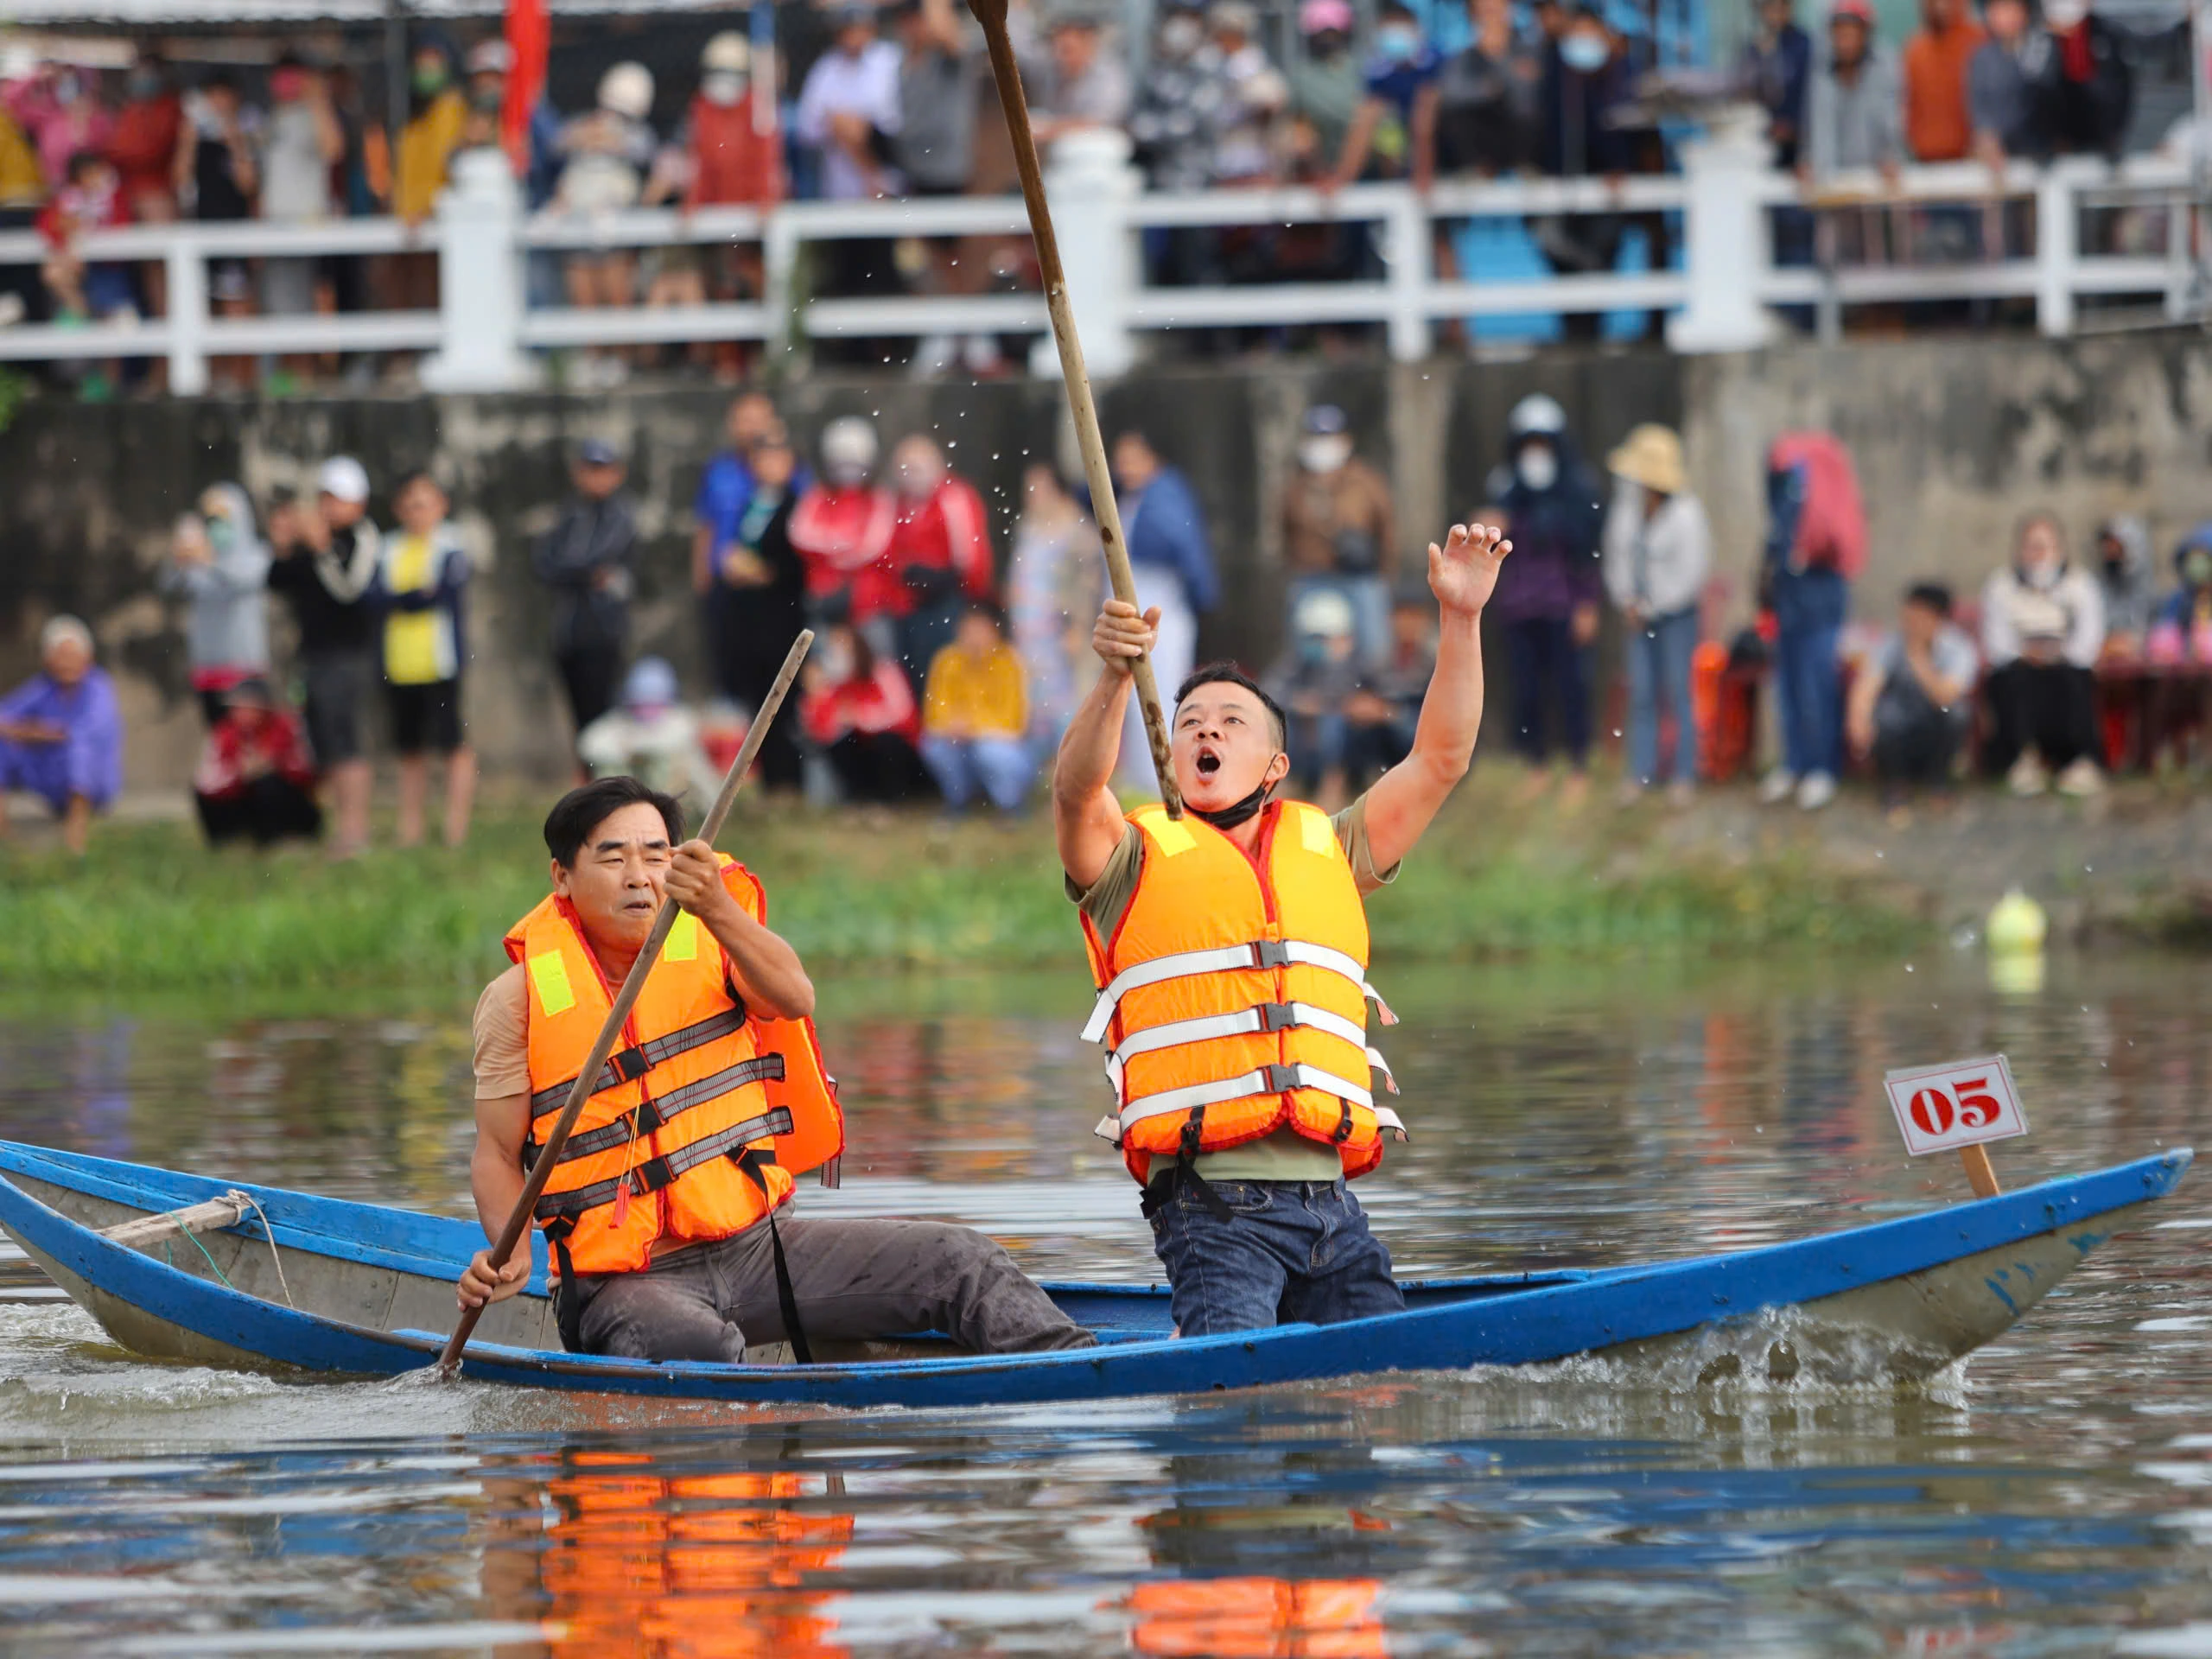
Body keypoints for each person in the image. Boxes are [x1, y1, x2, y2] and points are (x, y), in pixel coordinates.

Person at [1052, 518, 1511, 1337]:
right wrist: (1118, 679)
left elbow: (1440, 757)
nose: (1207, 730)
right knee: (1230, 1401)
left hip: (1331, 1204)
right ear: (1168, 744)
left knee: (1378, 1396)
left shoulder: (1329, 846)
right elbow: (1076, 791)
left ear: (1275, 767)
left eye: (1232, 722)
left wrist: (1463, 620)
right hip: (1211, 1204)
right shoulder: (1129, 856)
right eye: (1191, 719)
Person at [455, 776, 1095, 1361]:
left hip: (760, 1249)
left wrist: (719, 909)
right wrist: (509, 1252)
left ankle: (1084, 1371)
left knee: (958, 1260)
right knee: (690, 1347)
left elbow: (795, 997)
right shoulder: (517, 1001)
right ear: (562, 876)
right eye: (613, 856)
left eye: (656, 855)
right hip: (621, 1282)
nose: (638, 876)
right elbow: (496, 1153)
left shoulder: (716, 940)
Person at [266, 455, 381, 857]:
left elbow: (350, 589)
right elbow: (277, 580)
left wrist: (322, 549)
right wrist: (284, 544)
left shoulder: (362, 539)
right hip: (313, 658)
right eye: (326, 498)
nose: (331, 507)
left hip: (347, 658)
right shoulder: (315, 541)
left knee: (346, 743)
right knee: (322, 746)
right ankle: (338, 829)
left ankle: (356, 831)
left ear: (359, 503)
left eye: (339, 499)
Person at [1489, 393, 1602, 802]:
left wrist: (1588, 604)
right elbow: (1490, 538)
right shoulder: (1505, 487)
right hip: (1520, 607)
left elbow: (1587, 553)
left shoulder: (1577, 488)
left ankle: (1578, 766)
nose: (1535, 453)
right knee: (1526, 689)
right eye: (1528, 444)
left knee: (1572, 686)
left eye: (1543, 443)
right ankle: (1534, 764)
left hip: (1562, 605)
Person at [1601, 424, 1710, 804]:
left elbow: (1691, 573)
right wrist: (1627, 600)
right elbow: (1615, 559)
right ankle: (1640, 774)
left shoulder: (1686, 515)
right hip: (1637, 617)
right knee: (1643, 692)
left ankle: (1684, 774)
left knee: (1679, 691)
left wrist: (1653, 605)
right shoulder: (1626, 512)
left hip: (1676, 616)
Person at [698, 419, 809, 792]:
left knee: (784, 702)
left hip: (780, 618)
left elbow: (790, 563)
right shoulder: (752, 502)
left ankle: (788, 781)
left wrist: (755, 569)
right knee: (755, 699)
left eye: (776, 455)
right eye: (762, 456)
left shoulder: (797, 505)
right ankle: (768, 780)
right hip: (749, 619)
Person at [1758, 430, 1865, 811]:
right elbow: (1777, 541)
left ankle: (1823, 768)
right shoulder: (1786, 483)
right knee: (1787, 685)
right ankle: (1794, 764)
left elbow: (1834, 541)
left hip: (1819, 602)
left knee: (1815, 686)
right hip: (1788, 603)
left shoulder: (1820, 482)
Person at [1108, 429, 1218, 790]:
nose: (1124, 468)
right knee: (1128, 695)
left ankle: (1167, 779)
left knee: (1162, 693)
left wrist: (1203, 596)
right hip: (1132, 609)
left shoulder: (1166, 495)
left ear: (1152, 458)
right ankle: (1142, 778)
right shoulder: (1130, 496)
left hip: (1162, 610)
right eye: (1119, 460)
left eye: (1132, 459)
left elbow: (1184, 548)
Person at [378, 470, 477, 847]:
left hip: (440, 663)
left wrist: (405, 597)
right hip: (400, 665)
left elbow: (440, 594)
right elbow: (377, 598)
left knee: (452, 745)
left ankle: (456, 827)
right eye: (410, 504)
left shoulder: (451, 547)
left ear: (440, 507)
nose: (416, 512)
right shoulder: (389, 548)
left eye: (424, 503)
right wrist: (415, 595)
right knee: (410, 749)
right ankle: (412, 828)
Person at [1980, 511, 2104, 797]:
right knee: (2011, 680)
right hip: (2020, 662)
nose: (2037, 555)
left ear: (2058, 549)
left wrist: (2056, 653)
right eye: (2030, 546)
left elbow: (2088, 638)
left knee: (2074, 679)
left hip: (2065, 661)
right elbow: (1996, 640)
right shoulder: (2000, 586)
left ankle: (2078, 761)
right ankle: (2022, 760)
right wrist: (2028, 653)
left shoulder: (2080, 585)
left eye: (2044, 546)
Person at [534, 439, 639, 753]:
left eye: (602, 469)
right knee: (579, 719)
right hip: (568, 632)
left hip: (604, 630)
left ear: (616, 473)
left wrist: (571, 569)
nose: (596, 477)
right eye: (590, 469)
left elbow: (599, 557)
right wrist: (582, 573)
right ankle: (587, 790)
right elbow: (543, 564)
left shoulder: (621, 515)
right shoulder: (569, 514)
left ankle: (606, 790)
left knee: (603, 718)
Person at [1845, 582, 1977, 814]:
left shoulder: (1959, 648)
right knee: (1884, 714)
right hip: (1902, 719)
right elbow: (1868, 684)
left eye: (1918, 617)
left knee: (1956, 713)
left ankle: (1938, 781)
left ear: (1938, 619)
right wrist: (1858, 718)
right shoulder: (1891, 643)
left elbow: (1945, 696)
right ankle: (1896, 783)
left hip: (1936, 721)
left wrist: (1918, 658)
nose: (1910, 623)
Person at [1281, 404, 1395, 673]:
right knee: (1308, 656)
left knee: (1372, 651)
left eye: (1330, 439)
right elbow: (1285, 532)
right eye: (1316, 439)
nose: (1323, 447)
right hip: (1312, 577)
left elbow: (1387, 530)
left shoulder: (1366, 482)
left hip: (1358, 577)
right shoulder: (1295, 487)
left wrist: (1383, 574)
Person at [1004, 462, 1102, 764]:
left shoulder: (1079, 531)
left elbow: (1088, 586)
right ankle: (1040, 775)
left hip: (1061, 632)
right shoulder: (1027, 527)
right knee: (1033, 703)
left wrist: (1077, 625)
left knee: (1067, 704)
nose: (1032, 496)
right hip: (1028, 632)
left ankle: (1071, 768)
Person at [0, 615, 122, 855]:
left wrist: (34, 732)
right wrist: (31, 732)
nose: (67, 663)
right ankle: (5, 841)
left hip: (93, 784)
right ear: (47, 661)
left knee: (78, 750)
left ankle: (76, 845)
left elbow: (82, 732)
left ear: (88, 658)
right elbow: (5, 715)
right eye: (60, 656)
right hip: (51, 778)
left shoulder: (99, 688)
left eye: (72, 656)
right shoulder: (44, 688)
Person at [885, 434, 995, 686]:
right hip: (910, 604)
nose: (911, 476)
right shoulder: (899, 503)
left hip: (948, 600)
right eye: (906, 470)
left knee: (945, 670)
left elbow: (970, 557)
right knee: (912, 673)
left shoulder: (953, 497)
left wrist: (967, 593)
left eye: (917, 468)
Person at [162, 483, 270, 724]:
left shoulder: (256, 555)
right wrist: (178, 557)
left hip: (245, 669)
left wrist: (208, 560)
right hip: (207, 669)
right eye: (210, 518)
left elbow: (243, 580)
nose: (216, 524)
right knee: (220, 745)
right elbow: (168, 586)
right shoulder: (198, 559)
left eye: (223, 516)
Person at [257, 54, 343, 349]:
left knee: (308, 300)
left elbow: (333, 150)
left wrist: (317, 99)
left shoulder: (313, 116)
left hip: (307, 221)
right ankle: (288, 372)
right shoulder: (272, 119)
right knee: (278, 301)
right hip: (275, 223)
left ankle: (312, 370)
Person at [788, 416, 899, 641]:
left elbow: (874, 546)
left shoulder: (880, 498)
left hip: (869, 608)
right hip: (824, 603)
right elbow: (800, 535)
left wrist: (832, 550)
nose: (848, 472)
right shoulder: (817, 496)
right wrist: (845, 544)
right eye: (840, 463)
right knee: (821, 670)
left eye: (854, 463)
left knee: (878, 668)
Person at [800, 617, 931, 804]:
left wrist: (861, 717)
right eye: (833, 645)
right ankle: (860, 797)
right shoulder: (836, 684)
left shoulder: (883, 670)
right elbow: (823, 728)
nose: (838, 651)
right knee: (839, 743)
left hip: (898, 745)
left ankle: (894, 797)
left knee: (886, 743)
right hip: (863, 747)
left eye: (843, 644)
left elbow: (903, 713)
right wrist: (817, 698)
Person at [920, 602, 1033, 814]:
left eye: (980, 629)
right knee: (935, 747)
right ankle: (960, 800)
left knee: (991, 752)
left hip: (998, 742)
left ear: (994, 631)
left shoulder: (1009, 661)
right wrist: (952, 727)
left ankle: (1010, 804)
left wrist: (973, 727)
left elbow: (1014, 722)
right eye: (968, 629)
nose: (974, 636)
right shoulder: (947, 660)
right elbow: (934, 712)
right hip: (959, 738)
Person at [191, 677, 322, 848]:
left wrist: (273, 764)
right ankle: (228, 840)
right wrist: (239, 773)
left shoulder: (286, 727)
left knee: (268, 784)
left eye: (248, 708)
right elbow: (206, 782)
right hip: (241, 796)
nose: (241, 714)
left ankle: (284, 838)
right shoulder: (224, 734)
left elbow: (308, 770)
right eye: (237, 708)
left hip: (289, 801)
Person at [1264, 587, 1363, 810]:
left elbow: (1358, 697)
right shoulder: (1297, 662)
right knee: (1280, 721)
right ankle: (1284, 786)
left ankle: (1332, 787)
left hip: (1342, 744)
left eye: (1324, 638)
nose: (1317, 645)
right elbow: (1270, 690)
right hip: (1300, 742)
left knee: (1333, 723)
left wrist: (1324, 703)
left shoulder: (1356, 664)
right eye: (1313, 638)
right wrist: (1298, 702)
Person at [1325, 1, 1440, 193]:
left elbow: (1425, 121)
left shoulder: (1435, 61)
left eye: (1399, 29)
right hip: (1414, 155)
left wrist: (1423, 171)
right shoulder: (1381, 74)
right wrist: (1341, 178)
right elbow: (1363, 125)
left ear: (1415, 30)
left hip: (1445, 148)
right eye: (1389, 31)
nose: (1394, 38)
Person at [390, 41, 467, 316]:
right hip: (410, 217)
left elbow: (442, 162)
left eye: (434, 64)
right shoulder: (414, 112)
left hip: (434, 215)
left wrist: (423, 207)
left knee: (436, 290)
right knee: (409, 290)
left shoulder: (451, 107)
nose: (427, 71)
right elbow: (405, 169)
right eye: (422, 64)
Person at [577, 657, 719, 798]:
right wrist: (628, 752)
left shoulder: (680, 722)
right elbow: (591, 744)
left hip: (672, 799)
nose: (646, 710)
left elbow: (702, 777)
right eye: (641, 704)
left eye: (653, 704)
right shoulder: (615, 726)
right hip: (623, 797)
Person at [1344, 591, 1437, 791]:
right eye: (1402, 616)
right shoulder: (1378, 659)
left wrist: (1390, 713)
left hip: (1420, 728)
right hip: (1382, 728)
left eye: (1414, 616)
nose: (1407, 624)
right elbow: (1359, 692)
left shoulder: (1436, 659)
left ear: (1425, 620)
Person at [1030, 9, 1133, 146]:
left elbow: (1100, 122)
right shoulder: (1051, 69)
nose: (1059, 55)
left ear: (1088, 44)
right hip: (1059, 144)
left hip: (1098, 148)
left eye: (1067, 49)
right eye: (1057, 47)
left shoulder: (1110, 74)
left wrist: (1051, 130)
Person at [1902, 0, 1986, 163]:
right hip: (1926, 158)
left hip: (1970, 159)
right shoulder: (1915, 48)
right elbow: (1908, 103)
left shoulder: (1978, 41)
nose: (1940, 6)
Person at [1741, 0, 1814, 169]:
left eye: (1780, 7)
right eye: (1769, 8)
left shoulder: (1805, 45)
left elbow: (1813, 93)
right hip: (1769, 138)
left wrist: (1795, 126)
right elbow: (1751, 90)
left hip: (1800, 139)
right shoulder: (1758, 47)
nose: (1775, 14)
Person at [2094, 515, 2157, 656]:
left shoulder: (2148, 592)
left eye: (2116, 546)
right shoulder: (2097, 588)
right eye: (2107, 545)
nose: (2110, 551)